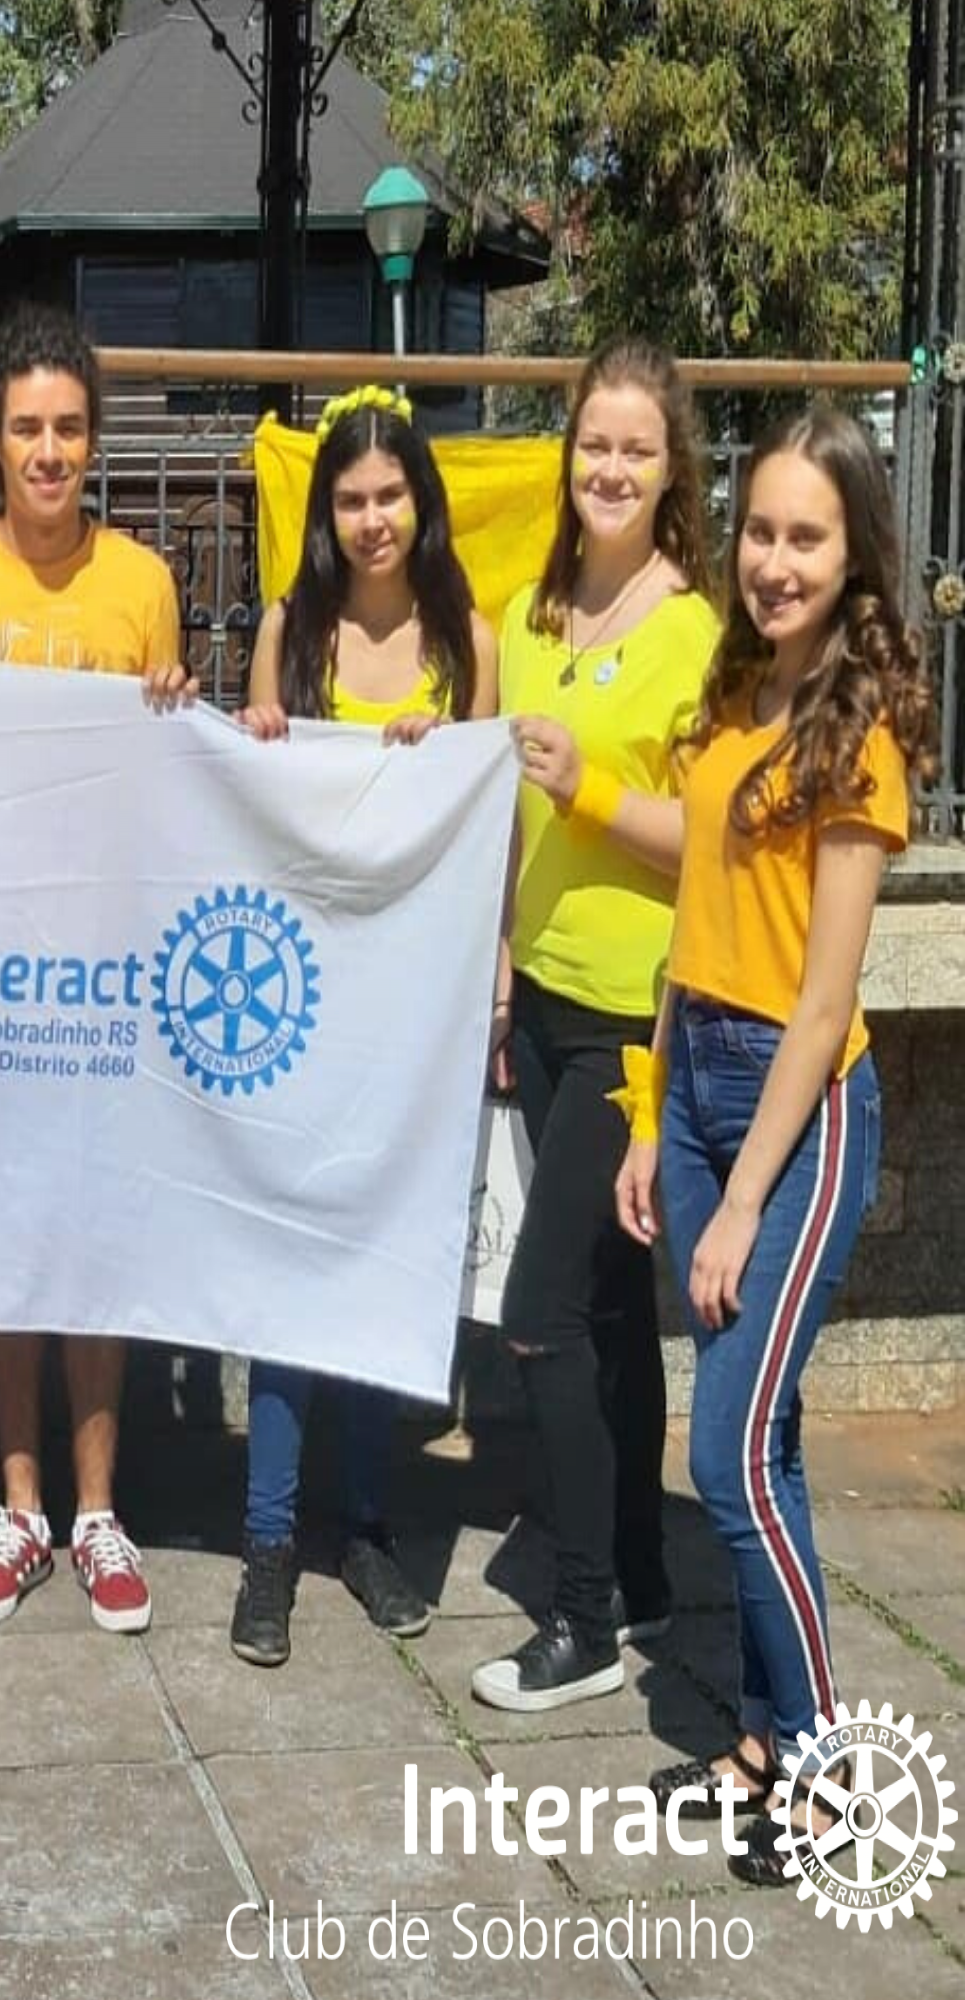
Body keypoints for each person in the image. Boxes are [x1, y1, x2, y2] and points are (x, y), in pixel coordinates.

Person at [618, 406, 932, 1883]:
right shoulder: (734, 692)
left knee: (728, 1452)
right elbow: (696, 937)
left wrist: (743, 1200)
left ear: (855, 553)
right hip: (695, 1095)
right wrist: (649, 1115)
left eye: (807, 536)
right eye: (759, 531)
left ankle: (824, 1776)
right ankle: (759, 1735)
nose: (775, 561)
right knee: (775, 1444)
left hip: (800, 1125)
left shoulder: (860, 737)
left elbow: (822, 1008)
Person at [0, 301, 191, 1634]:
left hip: (107, 972)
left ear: (93, 440)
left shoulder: (145, 583)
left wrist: (181, 719)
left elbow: (180, 782)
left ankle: (99, 1513)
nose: (50, 451)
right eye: (27, 429)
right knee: (15, 1243)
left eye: (69, 428)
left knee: (97, 1245)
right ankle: (19, 1507)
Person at [230, 384, 499, 1665]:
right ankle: (268, 1541)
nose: (373, 516)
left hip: (414, 1005)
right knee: (288, 1267)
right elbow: (247, 802)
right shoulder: (289, 627)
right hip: (298, 994)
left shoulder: (467, 635)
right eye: (349, 497)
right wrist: (265, 734)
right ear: (324, 512)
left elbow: (488, 823)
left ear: (420, 502)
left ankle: (366, 1522)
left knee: (382, 1262)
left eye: (390, 494)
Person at [472, 337, 721, 1712]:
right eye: (593, 446)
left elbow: (714, 844)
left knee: (542, 1312)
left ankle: (575, 1621)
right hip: (553, 995)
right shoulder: (532, 615)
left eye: (637, 448)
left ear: (671, 464)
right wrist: (508, 960)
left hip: (642, 1013)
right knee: (617, 1319)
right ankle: (637, 1574)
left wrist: (592, 796)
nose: (611, 468)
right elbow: (511, 814)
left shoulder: (697, 630)